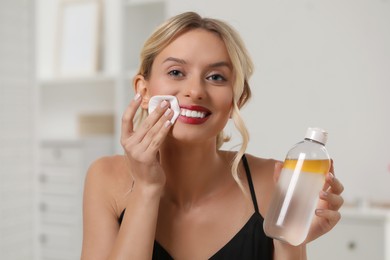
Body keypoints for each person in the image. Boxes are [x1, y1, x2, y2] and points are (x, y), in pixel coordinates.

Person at [81, 11, 344, 260]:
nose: (195, 91)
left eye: (216, 77)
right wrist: (147, 188)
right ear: (144, 90)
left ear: (236, 100)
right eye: (176, 72)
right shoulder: (106, 179)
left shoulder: (273, 182)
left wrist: (291, 240)